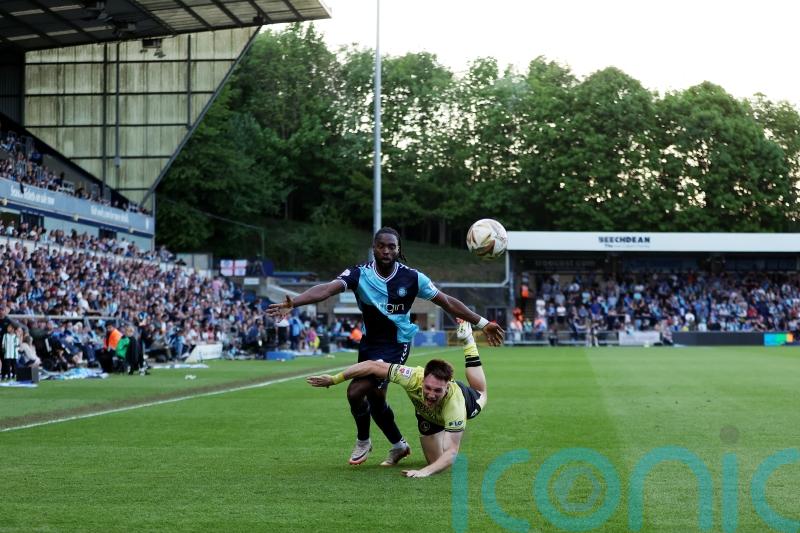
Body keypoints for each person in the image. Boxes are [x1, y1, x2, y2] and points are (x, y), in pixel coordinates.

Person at [268, 227, 504, 467]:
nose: (386, 250)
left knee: (355, 391)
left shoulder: (412, 278)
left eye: (392, 246)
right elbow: (327, 289)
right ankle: (399, 445)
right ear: (374, 248)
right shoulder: (359, 274)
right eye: (381, 246)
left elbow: (447, 302)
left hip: (396, 344)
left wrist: (483, 323)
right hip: (370, 344)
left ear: (398, 249)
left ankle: (363, 440)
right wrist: (294, 302)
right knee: (377, 398)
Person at [307, 320, 487, 477]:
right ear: (422, 379)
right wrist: (334, 379)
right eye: (428, 388)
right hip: (428, 417)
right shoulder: (412, 376)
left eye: (438, 390)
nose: (431, 394)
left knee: (480, 391)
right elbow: (372, 365)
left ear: (447, 386)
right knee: (434, 461)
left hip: (466, 402)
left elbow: (452, 453)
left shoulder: (455, 406)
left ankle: (468, 342)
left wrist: (424, 472)